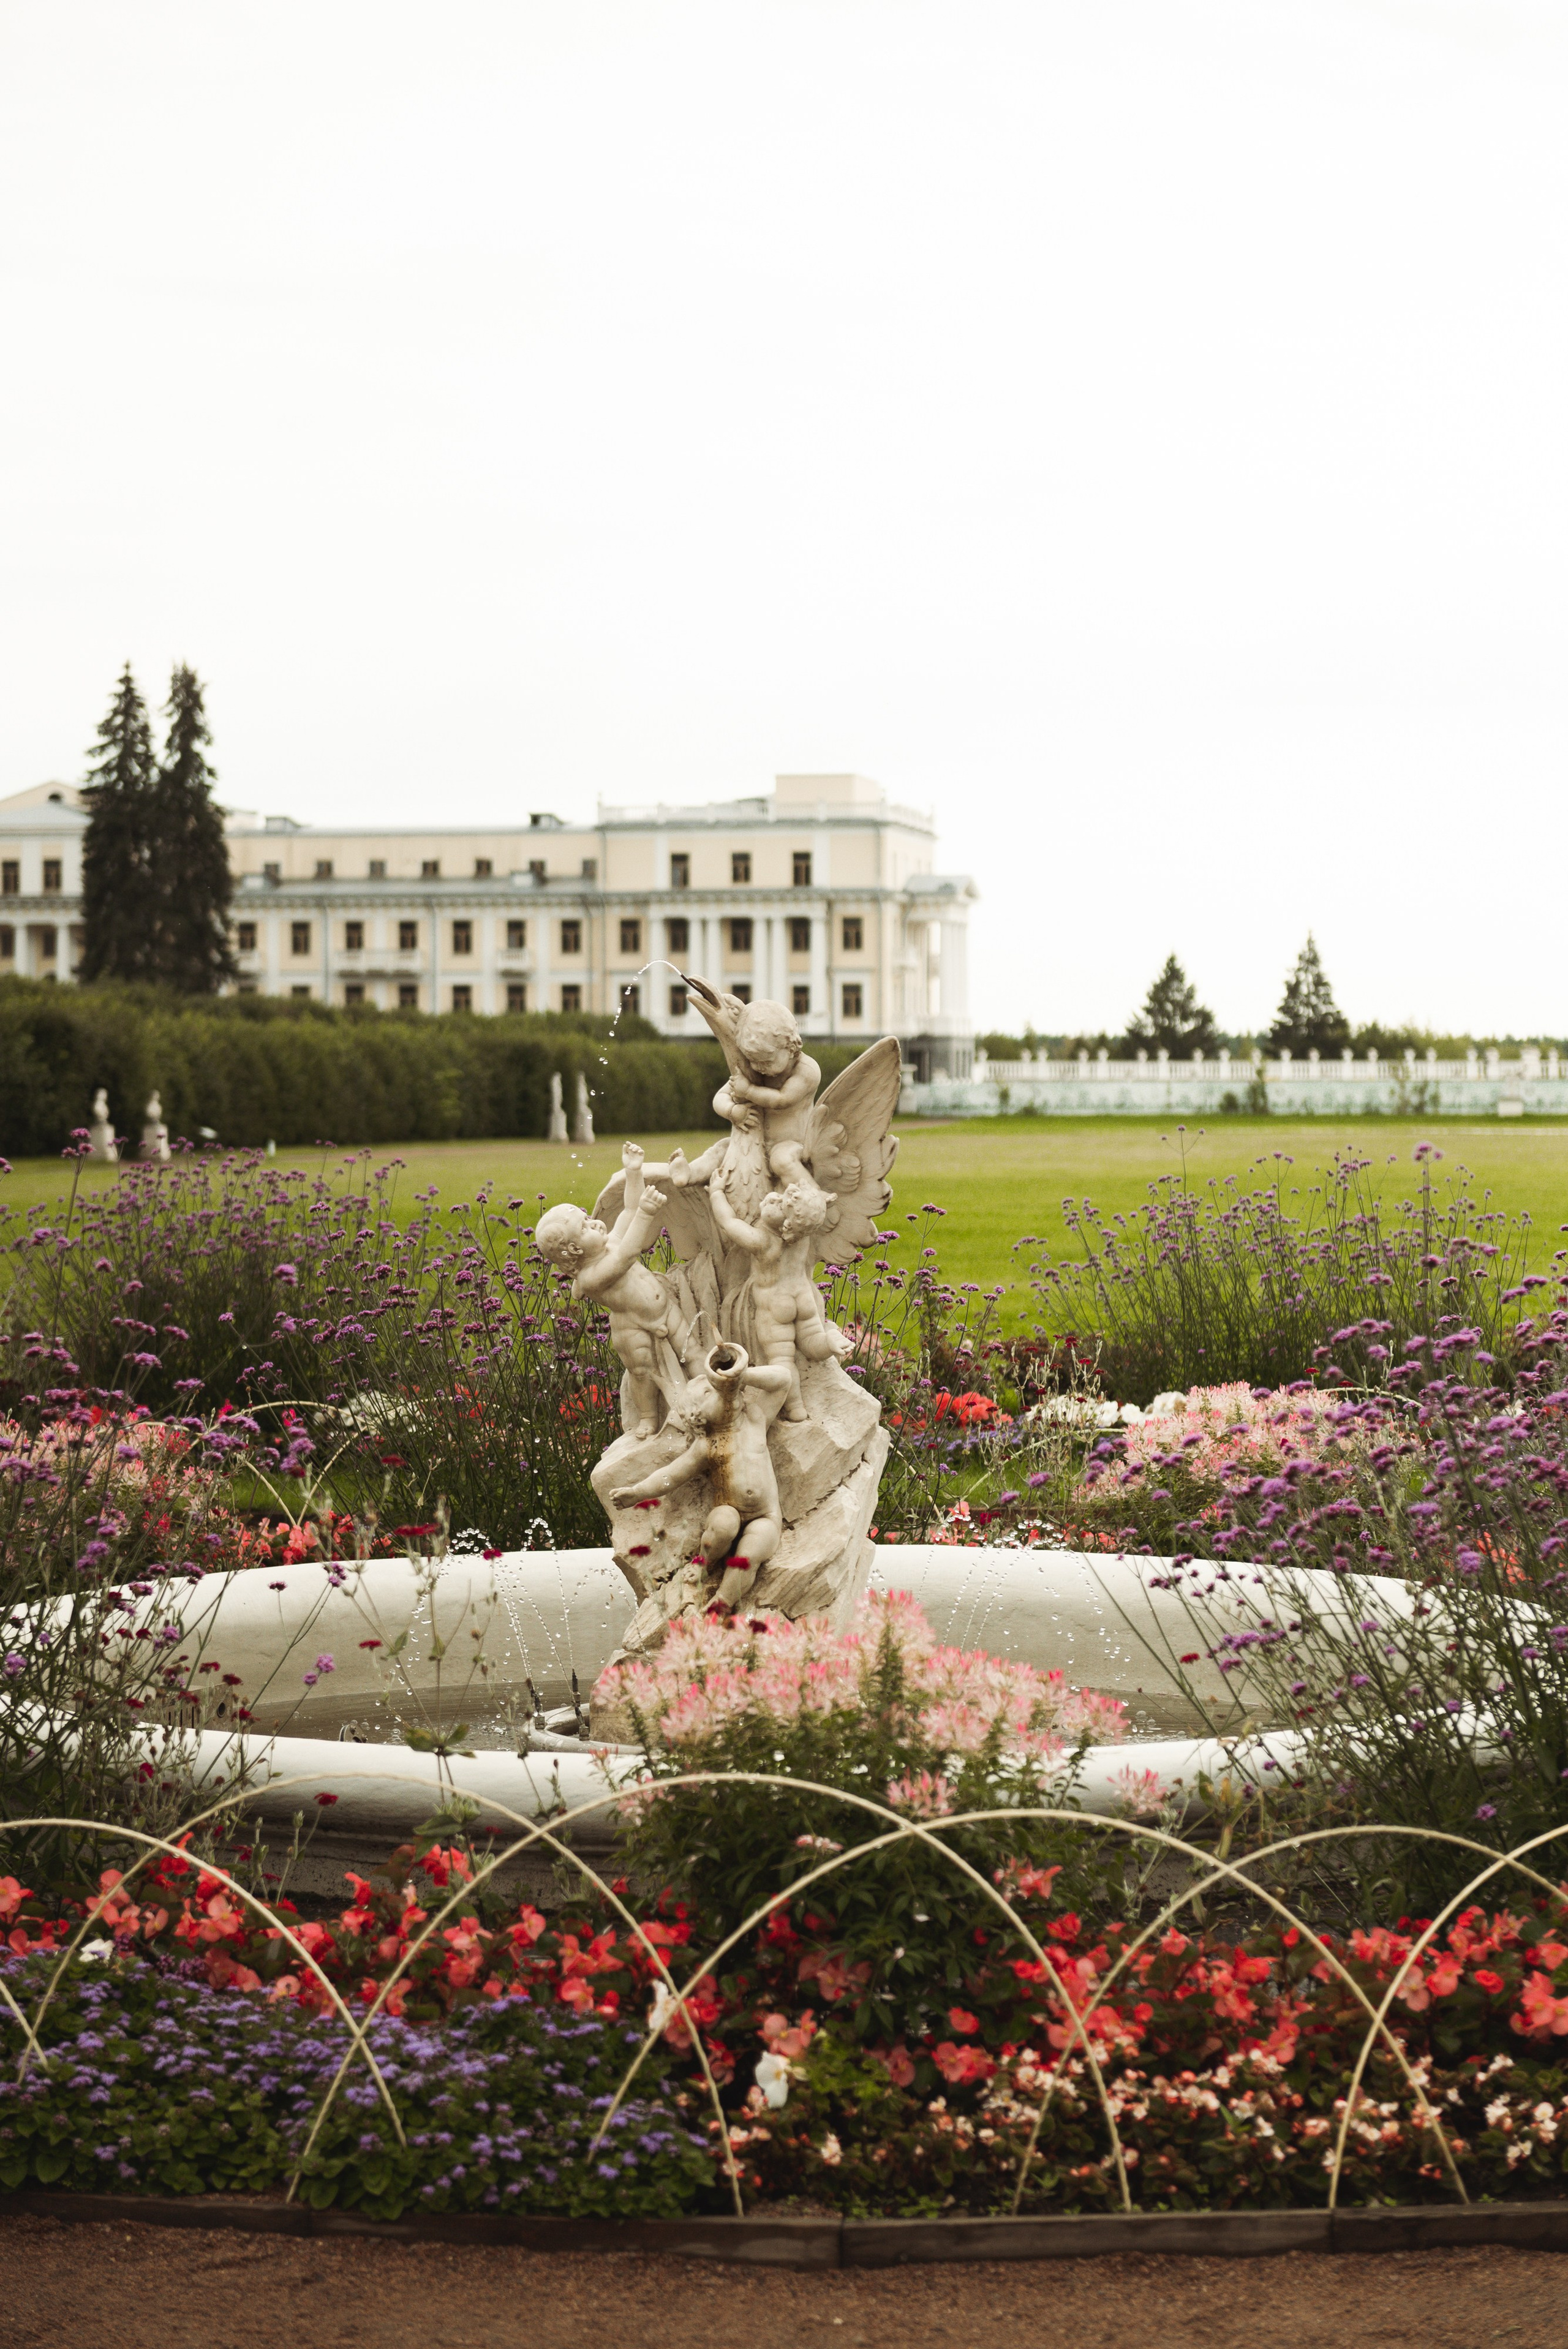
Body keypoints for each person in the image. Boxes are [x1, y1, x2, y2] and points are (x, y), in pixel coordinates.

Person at [609, 1343, 791, 1611]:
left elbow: (783, 1381)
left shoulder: (754, 1419)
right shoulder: (706, 1445)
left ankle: (722, 1604)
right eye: (710, 1390)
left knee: (750, 1553)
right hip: (728, 1509)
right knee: (723, 1525)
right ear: (698, 1416)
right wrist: (638, 1492)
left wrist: (743, 1376)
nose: (721, 1389)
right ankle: (704, 1563)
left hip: (766, 1516)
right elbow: (671, 1476)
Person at [535, 1143, 690, 1438]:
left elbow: (630, 1210)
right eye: (586, 1226)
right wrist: (647, 1214)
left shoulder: (610, 1242)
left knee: (691, 1350)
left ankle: (702, 1392)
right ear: (575, 1249)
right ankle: (647, 1418)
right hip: (632, 1327)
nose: (595, 1222)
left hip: (666, 1310)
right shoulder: (592, 1277)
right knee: (642, 1372)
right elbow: (627, 1257)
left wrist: (634, 1173)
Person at [707, 1165, 849, 1422]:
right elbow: (809, 1203)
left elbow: (728, 1222)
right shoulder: (803, 1234)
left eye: (779, 1204)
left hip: (775, 1305)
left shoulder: (762, 1242)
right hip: (803, 1297)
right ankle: (828, 1343)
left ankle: (795, 1407)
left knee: (782, 1358)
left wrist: (717, 1192)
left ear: (785, 1226)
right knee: (812, 1338)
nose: (774, 1197)